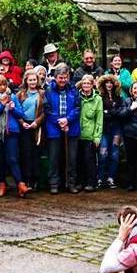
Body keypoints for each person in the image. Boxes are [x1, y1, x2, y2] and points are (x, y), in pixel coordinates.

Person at [0, 73, 27, 197]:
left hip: (10, 132)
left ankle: (20, 184)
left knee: (13, 159)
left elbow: (21, 114)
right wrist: (1, 105)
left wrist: (13, 108)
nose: (2, 87)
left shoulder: (12, 96)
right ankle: (1, 185)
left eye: (4, 84)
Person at [44, 63, 80, 194]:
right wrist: (59, 121)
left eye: (65, 77)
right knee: (54, 157)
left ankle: (71, 183)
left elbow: (77, 108)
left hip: (71, 127)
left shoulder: (73, 90)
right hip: (54, 127)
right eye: (60, 77)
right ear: (55, 77)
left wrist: (67, 120)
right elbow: (47, 108)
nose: (63, 80)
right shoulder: (48, 90)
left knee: (72, 158)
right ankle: (54, 184)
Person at [17, 70, 45, 192]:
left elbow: (45, 111)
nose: (33, 82)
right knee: (25, 153)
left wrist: (36, 122)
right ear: (26, 81)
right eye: (30, 80)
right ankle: (26, 179)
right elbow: (16, 111)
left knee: (36, 153)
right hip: (24, 126)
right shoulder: (20, 94)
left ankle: (36, 179)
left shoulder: (42, 93)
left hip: (36, 126)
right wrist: (22, 122)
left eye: (34, 79)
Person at [77, 74, 104, 192]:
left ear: (92, 84)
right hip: (77, 134)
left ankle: (91, 182)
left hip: (90, 134)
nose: (86, 85)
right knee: (78, 160)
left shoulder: (98, 99)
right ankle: (80, 182)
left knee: (90, 160)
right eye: (84, 83)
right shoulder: (77, 97)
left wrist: (97, 136)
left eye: (88, 83)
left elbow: (99, 119)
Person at [97, 74, 124, 189]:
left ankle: (111, 178)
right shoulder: (100, 97)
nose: (109, 85)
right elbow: (102, 114)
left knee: (115, 154)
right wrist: (110, 112)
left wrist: (110, 112)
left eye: (111, 83)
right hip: (104, 129)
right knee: (103, 154)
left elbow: (120, 113)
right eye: (106, 83)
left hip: (116, 129)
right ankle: (100, 178)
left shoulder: (119, 98)